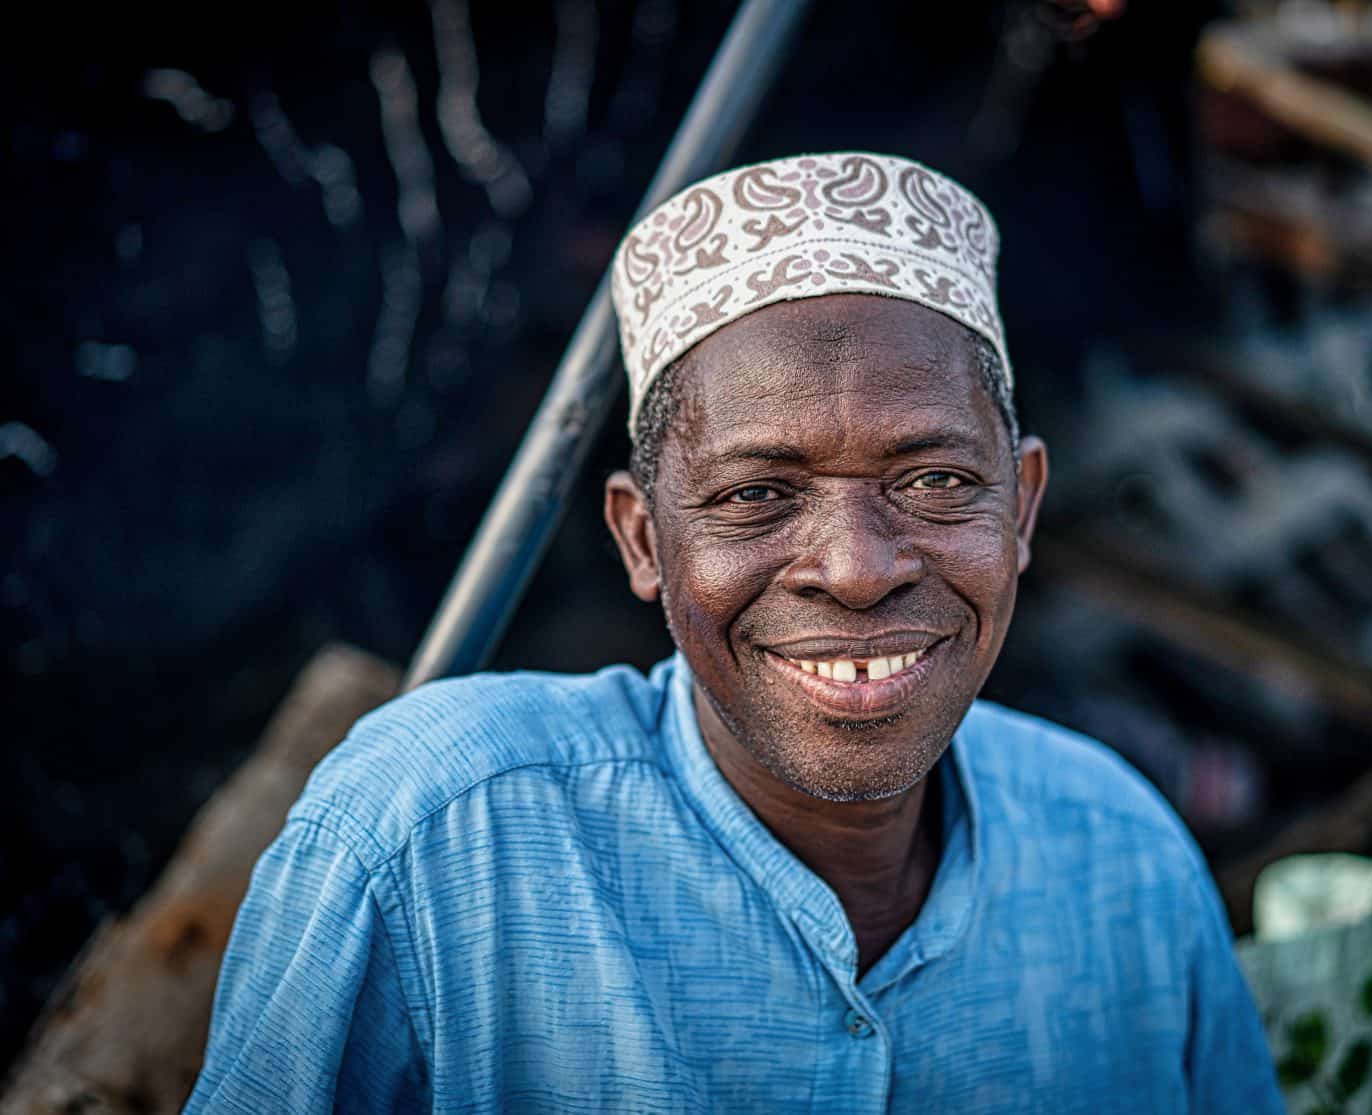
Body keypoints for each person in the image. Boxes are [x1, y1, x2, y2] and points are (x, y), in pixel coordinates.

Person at [186, 153, 1284, 1113]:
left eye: (938, 479)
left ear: (1024, 507)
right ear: (642, 538)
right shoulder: (437, 841)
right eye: (757, 494)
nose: (858, 567)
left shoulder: (1121, 861)